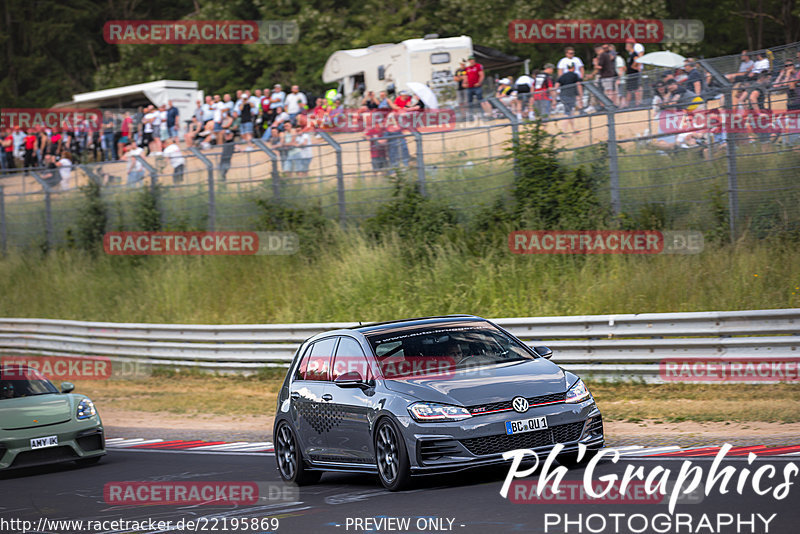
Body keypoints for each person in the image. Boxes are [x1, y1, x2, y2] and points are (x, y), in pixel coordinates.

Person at [555, 63, 583, 131]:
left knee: (571, 112)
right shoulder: (575, 75)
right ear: (573, 68)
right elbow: (579, 85)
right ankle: (563, 131)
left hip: (563, 95)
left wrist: (556, 95)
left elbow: (556, 86)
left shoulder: (563, 76)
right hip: (570, 96)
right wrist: (580, 96)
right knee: (567, 113)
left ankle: (574, 129)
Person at [625, 39, 645, 107]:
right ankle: (627, 105)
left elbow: (637, 59)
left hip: (633, 74)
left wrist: (633, 67)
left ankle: (637, 104)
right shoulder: (631, 54)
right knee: (629, 90)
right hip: (630, 74)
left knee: (636, 89)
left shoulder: (634, 53)